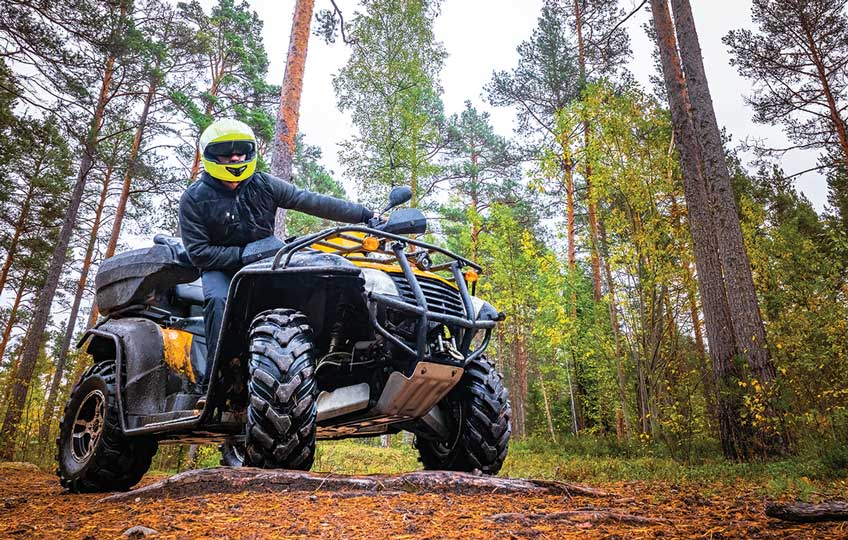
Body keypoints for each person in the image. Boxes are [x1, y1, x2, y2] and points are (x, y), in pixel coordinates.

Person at [179, 118, 374, 401]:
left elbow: (310, 200)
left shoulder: (263, 184)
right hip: (220, 268)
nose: (236, 157)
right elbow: (199, 253)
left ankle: (312, 365)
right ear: (210, 155)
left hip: (263, 265)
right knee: (219, 301)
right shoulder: (194, 199)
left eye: (241, 151)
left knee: (305, 289)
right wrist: (241, 255)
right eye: (227, 152)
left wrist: (364, 215)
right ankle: (214, 379)